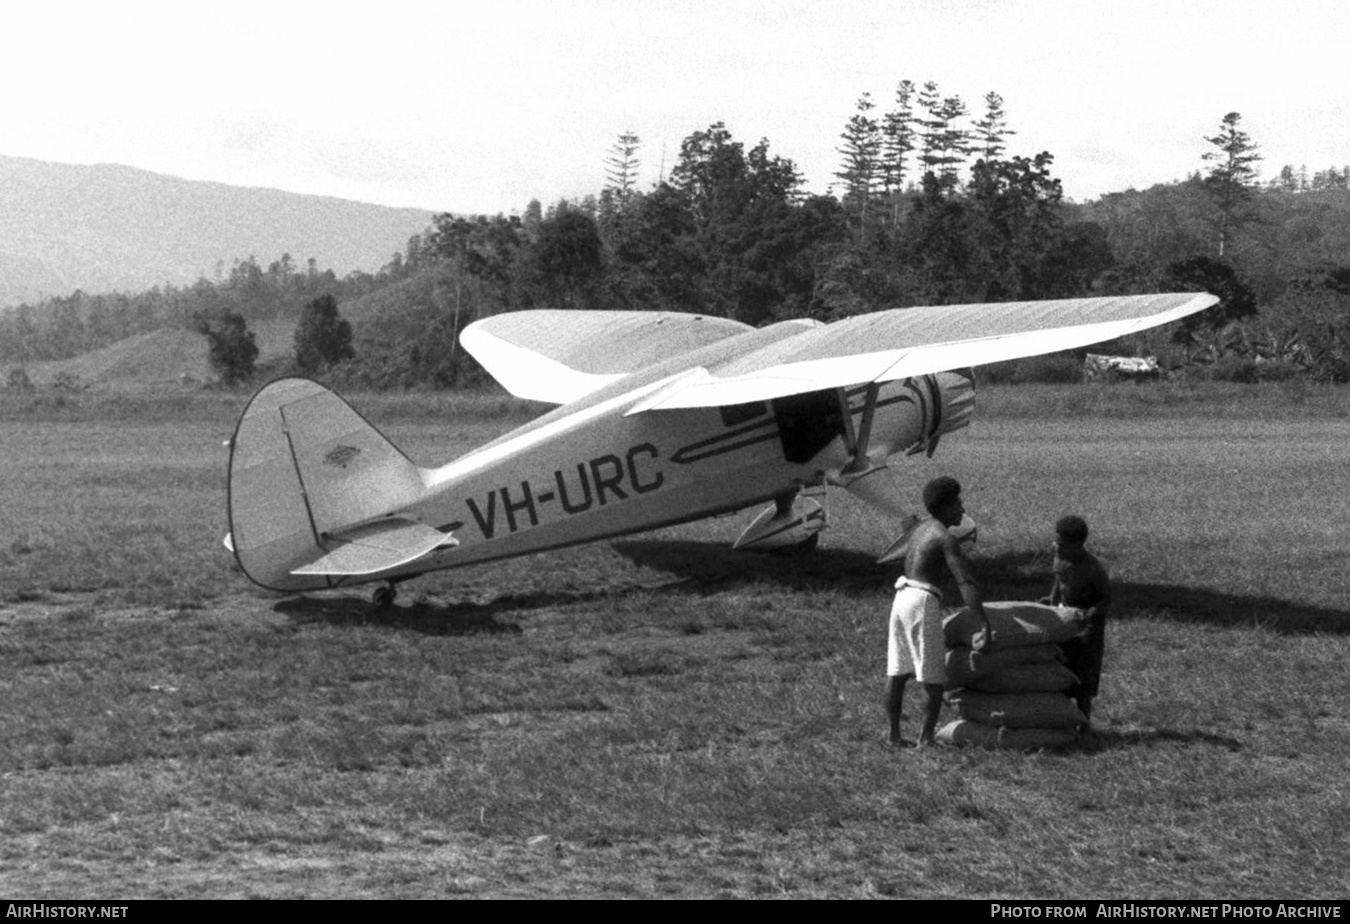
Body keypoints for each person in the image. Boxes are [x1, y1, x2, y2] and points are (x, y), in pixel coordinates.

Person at [886, 475, 991, 747]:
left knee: (897, 673)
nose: (963, 510)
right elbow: (964, 581)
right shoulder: (945, 538)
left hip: (901, 597)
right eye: (958, 504)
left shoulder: (921, 529)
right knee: (933, 678)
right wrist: (983, 623)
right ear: (945, 507)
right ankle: (925, 740)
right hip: (922, 601)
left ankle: (894, 737)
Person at [1040, 515, 1112, 726]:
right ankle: (1062, 717)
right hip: (1065, 619)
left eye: (1061, 544)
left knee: (1084, 676)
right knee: (1062, 668)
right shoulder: (1060, 558)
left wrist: (1092, 614)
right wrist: (1051, 599)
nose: (1056, 547)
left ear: (1078, 545)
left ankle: (1084, 723)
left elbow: (1106, 598)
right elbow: (1058, 578)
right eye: (1056, 542)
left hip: (1088, 628)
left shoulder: (1093, 569)